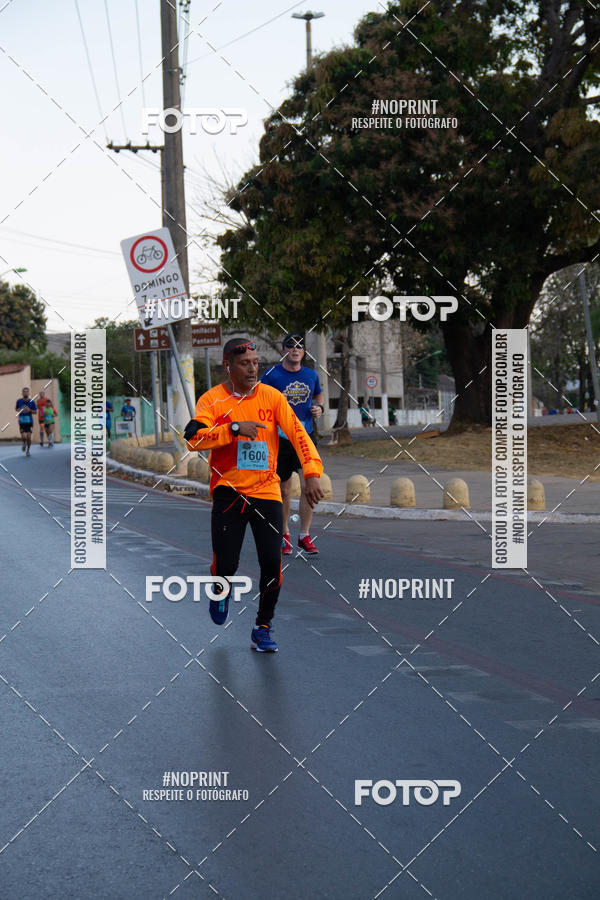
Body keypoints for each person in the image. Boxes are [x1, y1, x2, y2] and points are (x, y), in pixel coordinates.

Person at [184, 337, 324, 653]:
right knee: (227, 564)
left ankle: (263, 627)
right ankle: (220, 591)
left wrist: (312, 473)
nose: (252, 369)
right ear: (228, 366)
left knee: (272, 563)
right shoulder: (212, 401)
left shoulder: (272, 397)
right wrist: (232, 429)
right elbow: (193, 438)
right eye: (244, 363)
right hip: (229, 493)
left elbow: (300, 435)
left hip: (266, 492)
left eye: (255, 363)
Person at [261, 333, 324, 556]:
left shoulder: (311, 374)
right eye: (290, 346)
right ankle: (284, 534)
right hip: (280, 438)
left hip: (305, 437)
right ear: (283, 351)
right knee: (284, 489)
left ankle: (304, 535)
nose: (295, 350)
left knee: (310, 486)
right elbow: (260, 399)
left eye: (299, 347)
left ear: (303, 352)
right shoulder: (271, 375)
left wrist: (319, 409)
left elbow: (319, 396)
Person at [15, 387, 37, 456]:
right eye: (24, 392)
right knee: (24, 437)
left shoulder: (32, 402)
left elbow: (35, 412)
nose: (25, 393)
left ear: (29, 393)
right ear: (22, 393)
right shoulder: (19, 401)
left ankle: (28, 451)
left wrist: (29, 410)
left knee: (29, 437)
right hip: (22, 421)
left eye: (27, 392)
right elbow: (16, 408)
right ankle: (24, 443)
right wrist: (19, 410)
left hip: (29, 422)